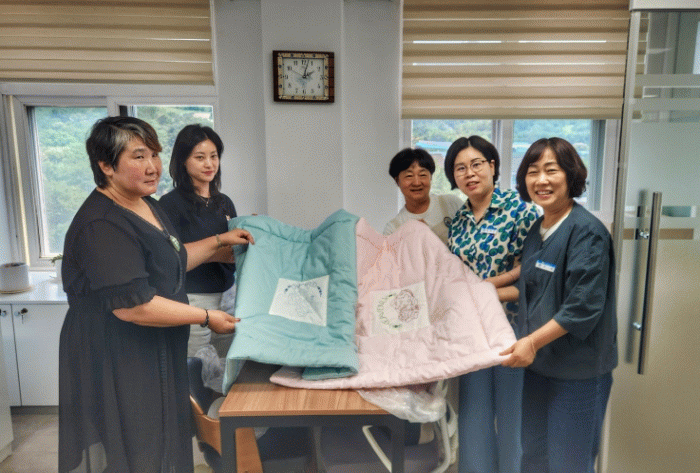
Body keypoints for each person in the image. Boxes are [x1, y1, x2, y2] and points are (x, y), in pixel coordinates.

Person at [58, 116, 254, 473]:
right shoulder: (102, 224)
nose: (152, 167)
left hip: (155, 346)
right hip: (120, 355)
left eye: (154, 154)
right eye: (138, 157)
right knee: (138, 447)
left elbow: (174, 260)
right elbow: (134, 307)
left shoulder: (146, 203)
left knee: (166, 439)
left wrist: (218, 240)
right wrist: (206, 317)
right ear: (106, 166)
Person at [500, 137, 618, 473]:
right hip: (540, 368)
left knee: (569, 463)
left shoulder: (587, 233)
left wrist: (531, 341)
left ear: (570, 174)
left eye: (551, 170)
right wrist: (487, 294)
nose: (541, 180)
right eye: (533, 171)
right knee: (534, 457)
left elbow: (582, 306)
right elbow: (535, 286)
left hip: (578, 373)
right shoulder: (537, 231)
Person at [444, 135, 539, 473]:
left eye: (476, 164)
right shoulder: (458, 220)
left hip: (514, 329)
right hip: (473, 333)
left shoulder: (521, 210)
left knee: (514, 422)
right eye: (460, 168)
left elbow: (535, 274)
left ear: (492, 166)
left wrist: (487, 291)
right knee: (474, 419)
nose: (469, 174)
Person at [159, 124, 237, 359]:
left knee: (226, 366)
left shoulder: (224, 203)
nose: (209, 164)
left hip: (229, 296)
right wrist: (218, 250)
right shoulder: (170, 204)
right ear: (183, 161)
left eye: (214, 156)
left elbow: (233, 252)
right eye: (200, 157)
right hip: (193, 302)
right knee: (195, 366)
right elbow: (172, 261)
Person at [383, 147, 463, 245]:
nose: (417, 183)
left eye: (422, 175)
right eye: (409, 176)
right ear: (397, 181)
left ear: (430, 177)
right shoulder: (393, 229)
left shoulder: (451, 203)